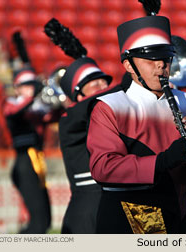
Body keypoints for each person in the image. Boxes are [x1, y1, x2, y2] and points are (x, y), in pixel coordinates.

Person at [86, 15, 186, 234]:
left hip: (179, 218)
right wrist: (163, 161)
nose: (161, 65)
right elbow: (103, 168)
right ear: (128, 65)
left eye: (166, 58)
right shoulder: (110, 107)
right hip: (128, 218)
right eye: (150, 59)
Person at [58, 57, 131, 233]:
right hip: (87, 210)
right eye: (94, 84)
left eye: (104, 82)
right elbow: (93, 103)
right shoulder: (70, 118)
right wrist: (133, 78)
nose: (103, 86)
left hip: (118, 202)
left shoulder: (114, 114)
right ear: (79, 95)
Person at [3, 66, 55, 233]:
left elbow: (58, 114)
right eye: (26, 85)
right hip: (24, 164)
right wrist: (33, 97)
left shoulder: (37, 109)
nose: (30, 88)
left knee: (46, 220)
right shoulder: (11, 103)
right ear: (16, 88)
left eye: (33, 84)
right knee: (38, 222)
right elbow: (14, 112)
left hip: (38, 164)